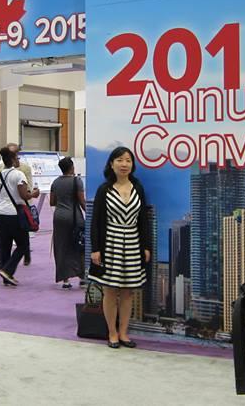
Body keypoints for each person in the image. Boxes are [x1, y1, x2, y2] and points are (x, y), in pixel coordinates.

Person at [89, 147, 152, 349]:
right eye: (120, 160)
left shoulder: (138, 188)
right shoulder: (104, 189)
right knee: (110, 290)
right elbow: (96, 221)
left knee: (128, 291)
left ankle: (124, 332)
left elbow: (143, 219)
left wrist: (146, 246)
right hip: (110, 243)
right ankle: (112, 332)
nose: (124, 164)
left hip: (133, 242)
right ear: (111, 164)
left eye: (128, 160)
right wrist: (96, 248)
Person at [0, 146, 34, 286]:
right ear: (13, 159)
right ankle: (8, 271)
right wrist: (34, 194)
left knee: (5, 245)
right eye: (17, 157)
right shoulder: (18, 175)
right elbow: (23, 195)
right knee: (22, 245)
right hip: (14, 213)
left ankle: (6, 277)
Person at [50, 157, 86, 289]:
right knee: (79, 245)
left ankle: (65, 280)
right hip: (74, 217)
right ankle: (82, 277)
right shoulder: (77, 181)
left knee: (61, 247)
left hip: (59, 217)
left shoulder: (55, 182)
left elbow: (52, 202)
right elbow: (82, 201)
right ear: (72, 167)